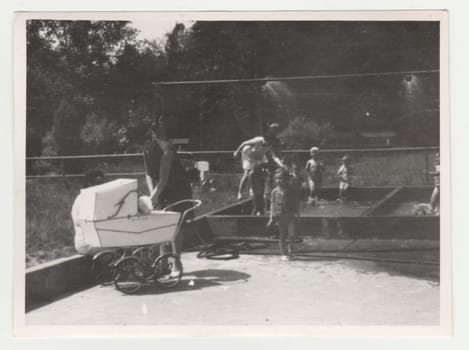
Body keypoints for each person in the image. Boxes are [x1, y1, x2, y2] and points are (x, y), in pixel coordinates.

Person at [143, 118, 193, 261]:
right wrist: (152, 194)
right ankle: (163, 262)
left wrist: (153, 197)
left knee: (176, 224)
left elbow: (164, 178)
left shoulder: (167, 150)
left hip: (178, 188)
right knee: (161, 223)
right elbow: (148, 174)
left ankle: (176, 261)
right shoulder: (145, 151)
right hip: (162, 189)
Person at [233, 123, 285, 201]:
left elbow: (274, 157)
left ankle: (257, 192)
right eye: (269, 142)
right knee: (247, 174)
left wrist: (281, 165)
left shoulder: (269, 145)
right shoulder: (258, 140)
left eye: (271, 142)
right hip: (248, 154)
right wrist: (237, 152)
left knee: (261, 173)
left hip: (258, 156)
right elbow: (244, 143)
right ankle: (239, 192)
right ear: (266, 139)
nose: (270, 144)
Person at [267, 168, 300, 261]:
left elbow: (295, 202)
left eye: (281, 178)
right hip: (279, 217)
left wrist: (297, 212)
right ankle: (283, 253)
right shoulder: (274, 192)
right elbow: (272, 205)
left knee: (292, 234)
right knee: (282, 235)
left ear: (286, 179)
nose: (278, 180)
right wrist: (271, 218)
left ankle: (291, 251)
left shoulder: (291, 190)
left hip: (290, 216)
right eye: (277, 178)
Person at [71, 169, 106, 255]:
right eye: (99, 183)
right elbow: (81, 222)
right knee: (124, 247)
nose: (102, 186)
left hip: (94, 241)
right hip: (86, 244)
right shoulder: (84, 199)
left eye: (103, 183)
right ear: (90, 184)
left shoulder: (92, 198)